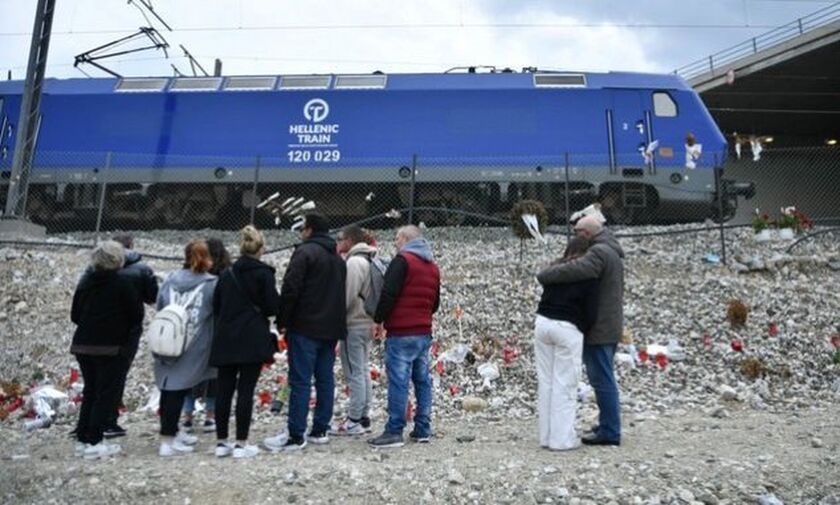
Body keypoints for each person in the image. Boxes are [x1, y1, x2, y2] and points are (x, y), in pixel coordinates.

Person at [537, 215, 625, 446]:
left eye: (577, 231)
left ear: (586, 234)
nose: (574, 236)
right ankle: (607, 425)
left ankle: (609, 431)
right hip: (607, 324)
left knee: (601, 379)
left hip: (599, 328)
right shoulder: (610, 250)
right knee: (601, 378)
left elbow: (571, 269)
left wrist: (546, 273)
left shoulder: (597, 253)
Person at [264, 213, 347, 452]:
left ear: (309, 230)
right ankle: (320, 429)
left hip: (305, 328)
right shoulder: (338, 259)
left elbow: (291, 289)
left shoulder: (304, 253)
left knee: (300, 380)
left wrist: (283, 320)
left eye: (303, 229)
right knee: (325, 378)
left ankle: (295, 434)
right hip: (330, 330)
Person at [74, 234, 157, 440]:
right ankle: (95, 438)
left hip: (83, 344)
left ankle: (83, 434)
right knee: (106, 393)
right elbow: (136, 315)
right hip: (112, 346)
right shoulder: (123, 284)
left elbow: (75, 314)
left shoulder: (85, 282)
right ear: (118, 260)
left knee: (90, 391)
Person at [210, 226, 280, 459]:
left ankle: (221, 442)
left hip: (226, 337)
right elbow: (272, 307)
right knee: (245, 390)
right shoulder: (264, 274)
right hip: (252, 338)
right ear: (261, 248)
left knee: (224, 389)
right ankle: (241, 442)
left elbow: (216, 306)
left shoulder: (226, 274)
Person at [368, 225, 440, 449]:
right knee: (422, 381)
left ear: (407, 239)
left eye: (397, 238)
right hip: (423, 332)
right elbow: (435, 303)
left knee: (399, 381)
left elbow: (388, 293)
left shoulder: (402, 261)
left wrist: (378, 319)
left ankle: (394, 431)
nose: (395, 243)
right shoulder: (433, 267)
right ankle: (423, 428)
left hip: (401, 332)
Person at [534, 236, 599, 451]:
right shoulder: (587, 274)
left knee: (547, 382)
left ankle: (546, 436)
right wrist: (587, 330)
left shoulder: (555, 269)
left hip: (543, 323)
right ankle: (562, 439)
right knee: (565, 384)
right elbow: (591, 310)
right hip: (567, 327)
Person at [154, 240, 218, 457]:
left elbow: (160, 305)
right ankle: (167, 440)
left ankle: (173, 431)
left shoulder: (170, 280)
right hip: (194, 344)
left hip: (168, 339)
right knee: (177, 390)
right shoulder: (211, 284)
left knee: (169, 387)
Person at [330, 225, 377, 436]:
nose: (338, 242)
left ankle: (354, 418)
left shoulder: (354, 262)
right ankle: (364, 415)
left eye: (340, 238)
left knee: (354, 371)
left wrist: (334, 317)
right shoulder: (369, 259)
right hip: (367, 322)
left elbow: (347, 295)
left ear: (349, 240)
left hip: (354, 323)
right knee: (363, 369)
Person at [181, 237, 231, 435]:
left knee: (191, 371)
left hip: (194, 328)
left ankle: (187, 415)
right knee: (215, 374)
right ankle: (211, 415)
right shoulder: (226, 275)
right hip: (217, 329)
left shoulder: (191, 275)